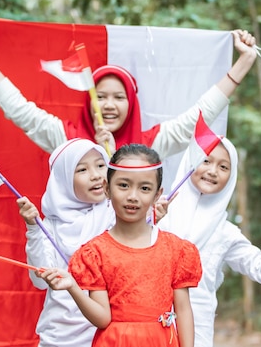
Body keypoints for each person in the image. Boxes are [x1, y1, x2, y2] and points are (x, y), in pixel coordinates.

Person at [0, 18, 258, 158]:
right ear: (89, 103)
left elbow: (200, 115)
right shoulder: (66, 139)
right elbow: (19, 109)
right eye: (100, 96)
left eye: (119, 97)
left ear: (132, 105)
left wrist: (244, 61)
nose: (108, 105)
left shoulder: (149, 144)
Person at [38, 144, 202, 347]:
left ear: (157, 195)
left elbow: (183, 310)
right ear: (107, 189)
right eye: (123, 185)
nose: (133, 196)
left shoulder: (176, 250)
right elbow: (102, 318)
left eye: (144, 188)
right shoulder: (94, 253)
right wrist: (72, 287)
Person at [157, 138, 261, 347]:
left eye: (223, 167)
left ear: (232, 176)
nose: (212, 171)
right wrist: (149, 221)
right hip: (148, 321)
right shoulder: (158, 211)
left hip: (197, 328)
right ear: (191, 161)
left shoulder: (225, 232)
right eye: (206, 161)